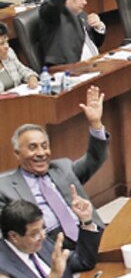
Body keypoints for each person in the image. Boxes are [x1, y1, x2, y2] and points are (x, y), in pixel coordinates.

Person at [0, 87, 108, 245]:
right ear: (17, 154)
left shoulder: (63, 168)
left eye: (45, 146)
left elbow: (95, 158)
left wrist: (95, 123)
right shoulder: (4, 188)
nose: (41, 153)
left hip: (86, 230)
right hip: (48, 243)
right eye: (33, 147)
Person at [0, 198, 99, 278]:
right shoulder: (3, 269)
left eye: (43, 228)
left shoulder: (41, 242)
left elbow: (83, 261)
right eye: (34, 233)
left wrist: (86, 221)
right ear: (14, 236)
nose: (42, 236)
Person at [38, 0, 105, 67]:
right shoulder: (53, 17)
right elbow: (53, 4)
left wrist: (98, 26)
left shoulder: (81, 14)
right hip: (69, 70)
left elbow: (97, 42)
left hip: (94, 64)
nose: (85, 2)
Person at [0, 24, 38, 92]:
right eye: (2, 43)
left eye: (7, 41)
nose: (7, 46)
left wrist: (31, 77)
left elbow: (22, 70)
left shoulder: (9, 53)